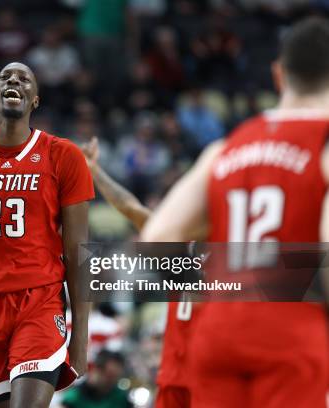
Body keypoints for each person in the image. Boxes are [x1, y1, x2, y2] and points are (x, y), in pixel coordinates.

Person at [141, 17, 329, 408]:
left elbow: (157, 238)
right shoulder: (323, 145)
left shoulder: (224, 148)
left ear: (278, 75)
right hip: (292, 330)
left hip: (218, 332)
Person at [0, 62, 95, 407]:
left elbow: (78, 251)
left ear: (34, 100)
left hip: (38, 301)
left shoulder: (63, 156)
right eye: (4, 77)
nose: (14, 81)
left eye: (24, 79)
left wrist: (80, 337)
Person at [81, 136, 193, 408]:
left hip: (204, 370)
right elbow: (131, 208)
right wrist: (96, 172)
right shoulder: (181, 243)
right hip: (175, 371)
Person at [60, 349, 131, 408]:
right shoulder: (75, 396)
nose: (111, 381)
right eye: (109, 375)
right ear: (96, 369)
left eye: (116, 376)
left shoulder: (121, 398)